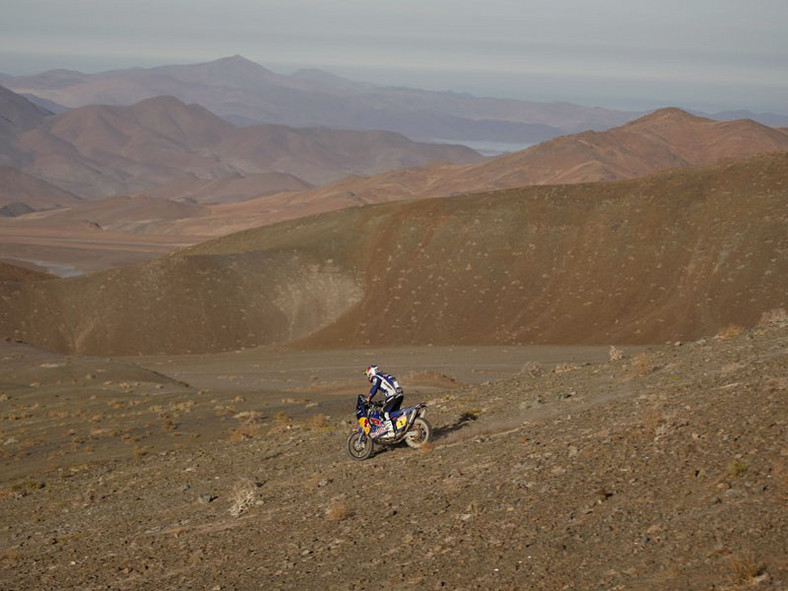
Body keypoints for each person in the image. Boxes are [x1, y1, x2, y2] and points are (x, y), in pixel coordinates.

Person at [365, 365, 404, 437]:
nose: (367, 376)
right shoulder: (385, 375)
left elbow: (375, 387)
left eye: (367, 374)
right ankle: (398, 430)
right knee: (393, 414)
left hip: (393, 395)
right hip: (399, 394)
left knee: (383, 413)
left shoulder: (376, 377)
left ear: (371, 372)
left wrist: (369, 397)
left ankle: (391, 431)